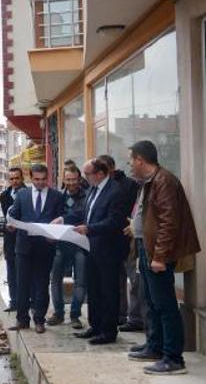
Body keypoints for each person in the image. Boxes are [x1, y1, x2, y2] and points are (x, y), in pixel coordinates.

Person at [126, 141, 201, 375]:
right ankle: (155, 347)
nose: (130, 165)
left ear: (140, 160)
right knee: (151, 301)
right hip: (146, 247)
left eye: (131, 161)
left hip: (157, 253)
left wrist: (159, 256)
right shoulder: (150, 181)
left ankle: (173, 358)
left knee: (165, 304)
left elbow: (169, 223)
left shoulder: (163, 181)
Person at [58, 159, 127, 345]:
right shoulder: (93, 190)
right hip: (91, 248)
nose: (84, 178)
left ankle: (108, 331)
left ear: (100, 174)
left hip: (108, 250)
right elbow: (84, 214)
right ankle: (95, 326)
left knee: (108, 291)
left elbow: (115, 221)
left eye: (87, 174)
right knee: (94, 290)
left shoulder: (115, 191)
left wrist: (90, 229)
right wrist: (64, 219)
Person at [7, 164, 64, 334]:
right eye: (36, 179)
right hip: (24, 246)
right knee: (22, 284)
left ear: (48, 178)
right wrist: (11, 225)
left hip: (45, 246)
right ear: (31, 178)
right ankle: (22, 319)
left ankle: (39, 319)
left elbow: (61, 219)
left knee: (41, 283)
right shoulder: (22, 195)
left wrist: (54, 235)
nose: (40, 183)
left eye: (43, 179)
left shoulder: (56, 196)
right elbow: (15, 215)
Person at [98, 154, 145, 332]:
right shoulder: (100, 187)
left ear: (111, 168)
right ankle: (119, 315)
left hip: (130, 238)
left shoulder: (129, 185)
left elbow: (135, 212)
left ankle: (136, 318)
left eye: (102, 169)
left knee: (134, 280)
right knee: (115, 281)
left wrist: (132, 228)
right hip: (109, 240)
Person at [47, 165, 87, 329]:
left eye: (74, 179)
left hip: (79, 244)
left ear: (79, 179)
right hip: (60, 244)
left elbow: (81, 214)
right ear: (63, 179)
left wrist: (62, 219)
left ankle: (75, 315)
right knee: (55, 280)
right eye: (68, 179)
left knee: (81, 282)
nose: (71, 183)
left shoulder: (87, 195)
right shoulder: (58, 196)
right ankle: (58, 313)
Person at [0, 167, 26, 312]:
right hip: (10, 239)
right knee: (11, 271)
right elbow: (6, 216)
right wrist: (8, 226)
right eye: (12, 178)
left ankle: (28, 301)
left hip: (25, 238)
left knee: (26, 272)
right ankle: (14, 302)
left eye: (17, 178)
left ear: (22, 178)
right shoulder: (4, 195)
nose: (14, 181)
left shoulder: (29, 193)